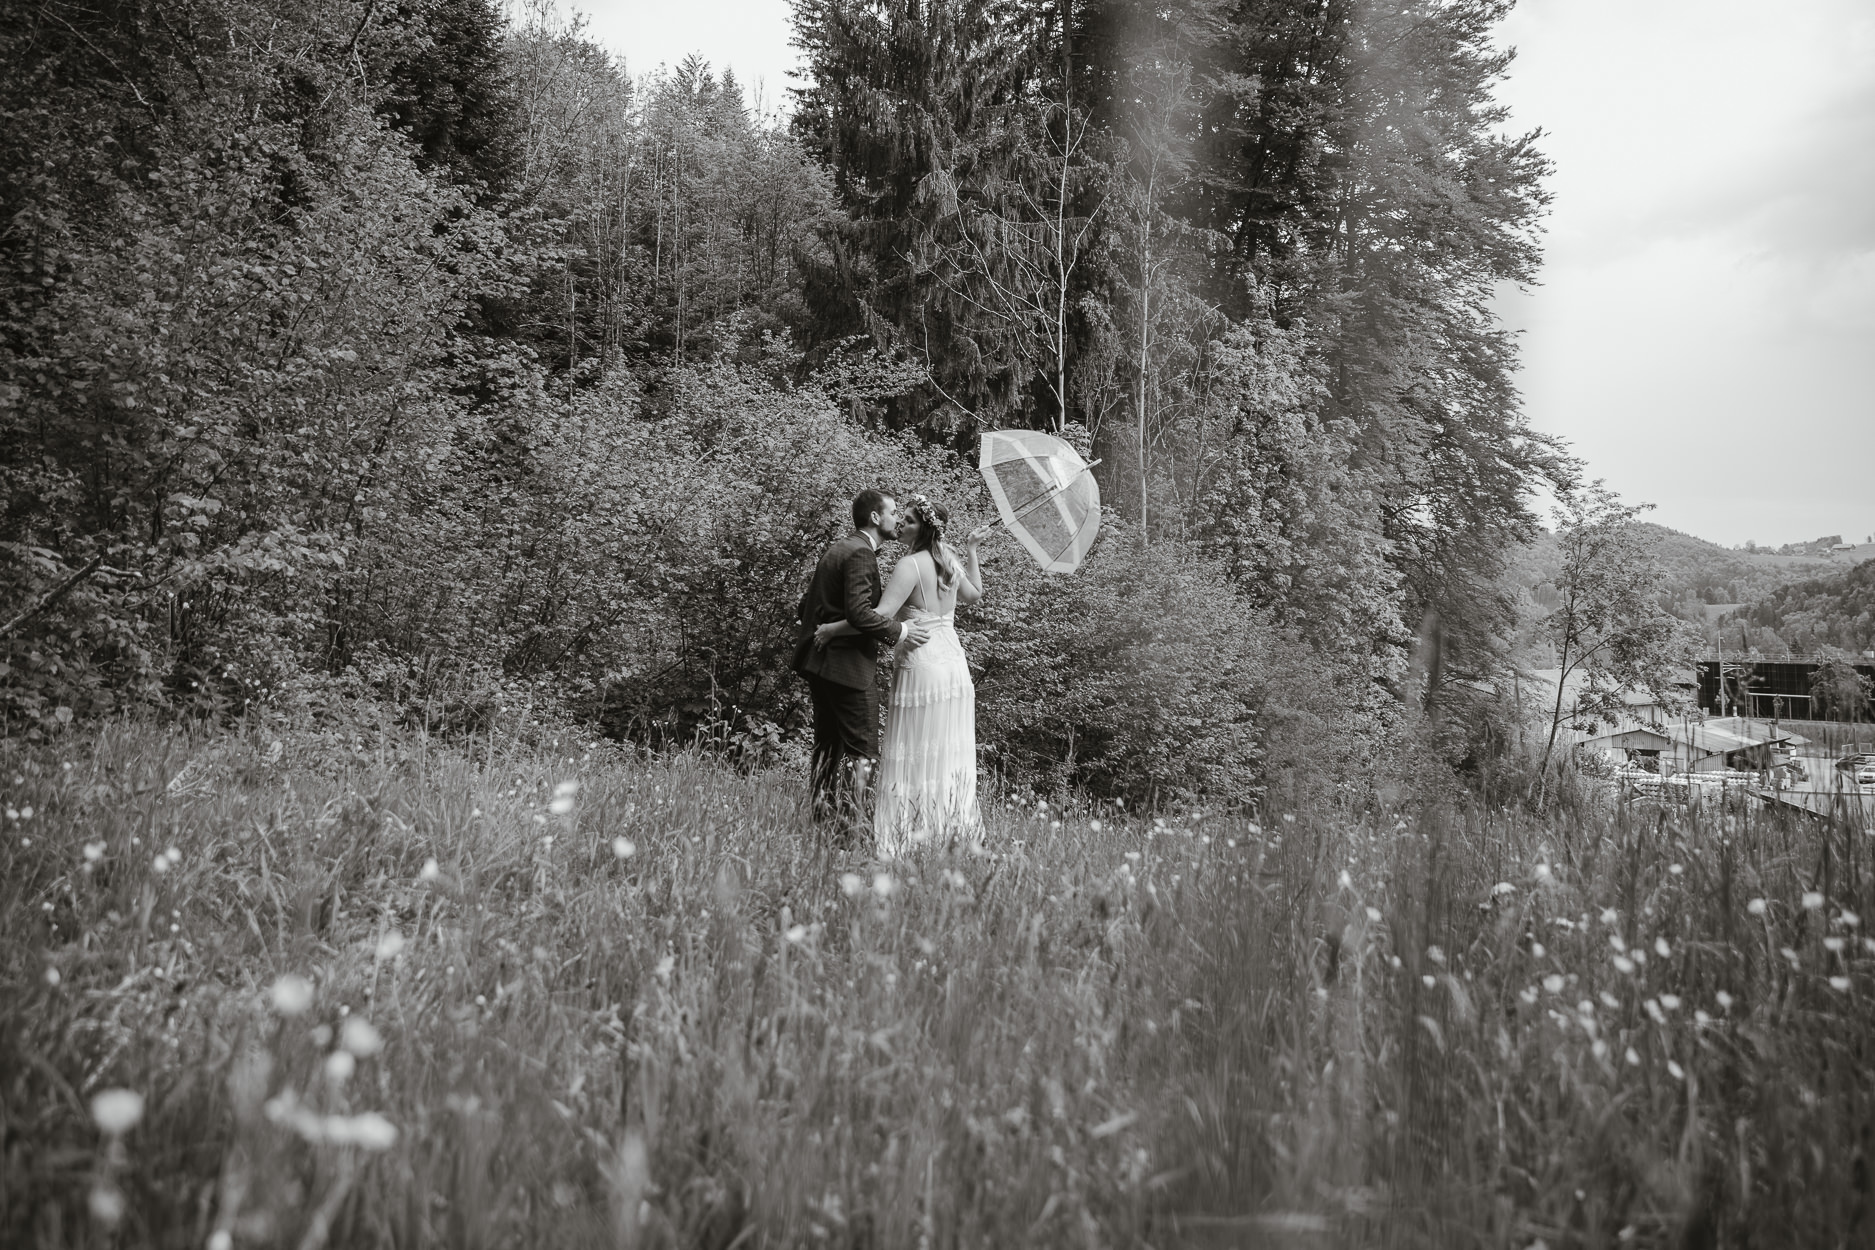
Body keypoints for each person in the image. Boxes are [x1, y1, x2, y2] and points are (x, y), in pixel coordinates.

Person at [816, 494, 985, 856]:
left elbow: (878, 615)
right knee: (945, 749)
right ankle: (947, 830)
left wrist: (832, 630)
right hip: (953, 664)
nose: (901, 524)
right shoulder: (950, 560)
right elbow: (973, 595)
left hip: (921, 661)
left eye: (907, 520)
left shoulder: (910, 565)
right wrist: (971, 550)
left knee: (914, 747)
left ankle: (907, 831)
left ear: (921, 527)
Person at [793, 490, 932, 843]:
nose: (896, 519)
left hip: (821, 663)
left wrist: (827, 627)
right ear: (874, 517)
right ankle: (854, 833)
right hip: (847, 669)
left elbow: (804, 607)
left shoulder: (841, 548)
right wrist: (900, 630)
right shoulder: (859, 554)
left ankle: (822, 822)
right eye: (892, 513)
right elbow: (859, 613)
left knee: (827, 747)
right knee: (863, 752)